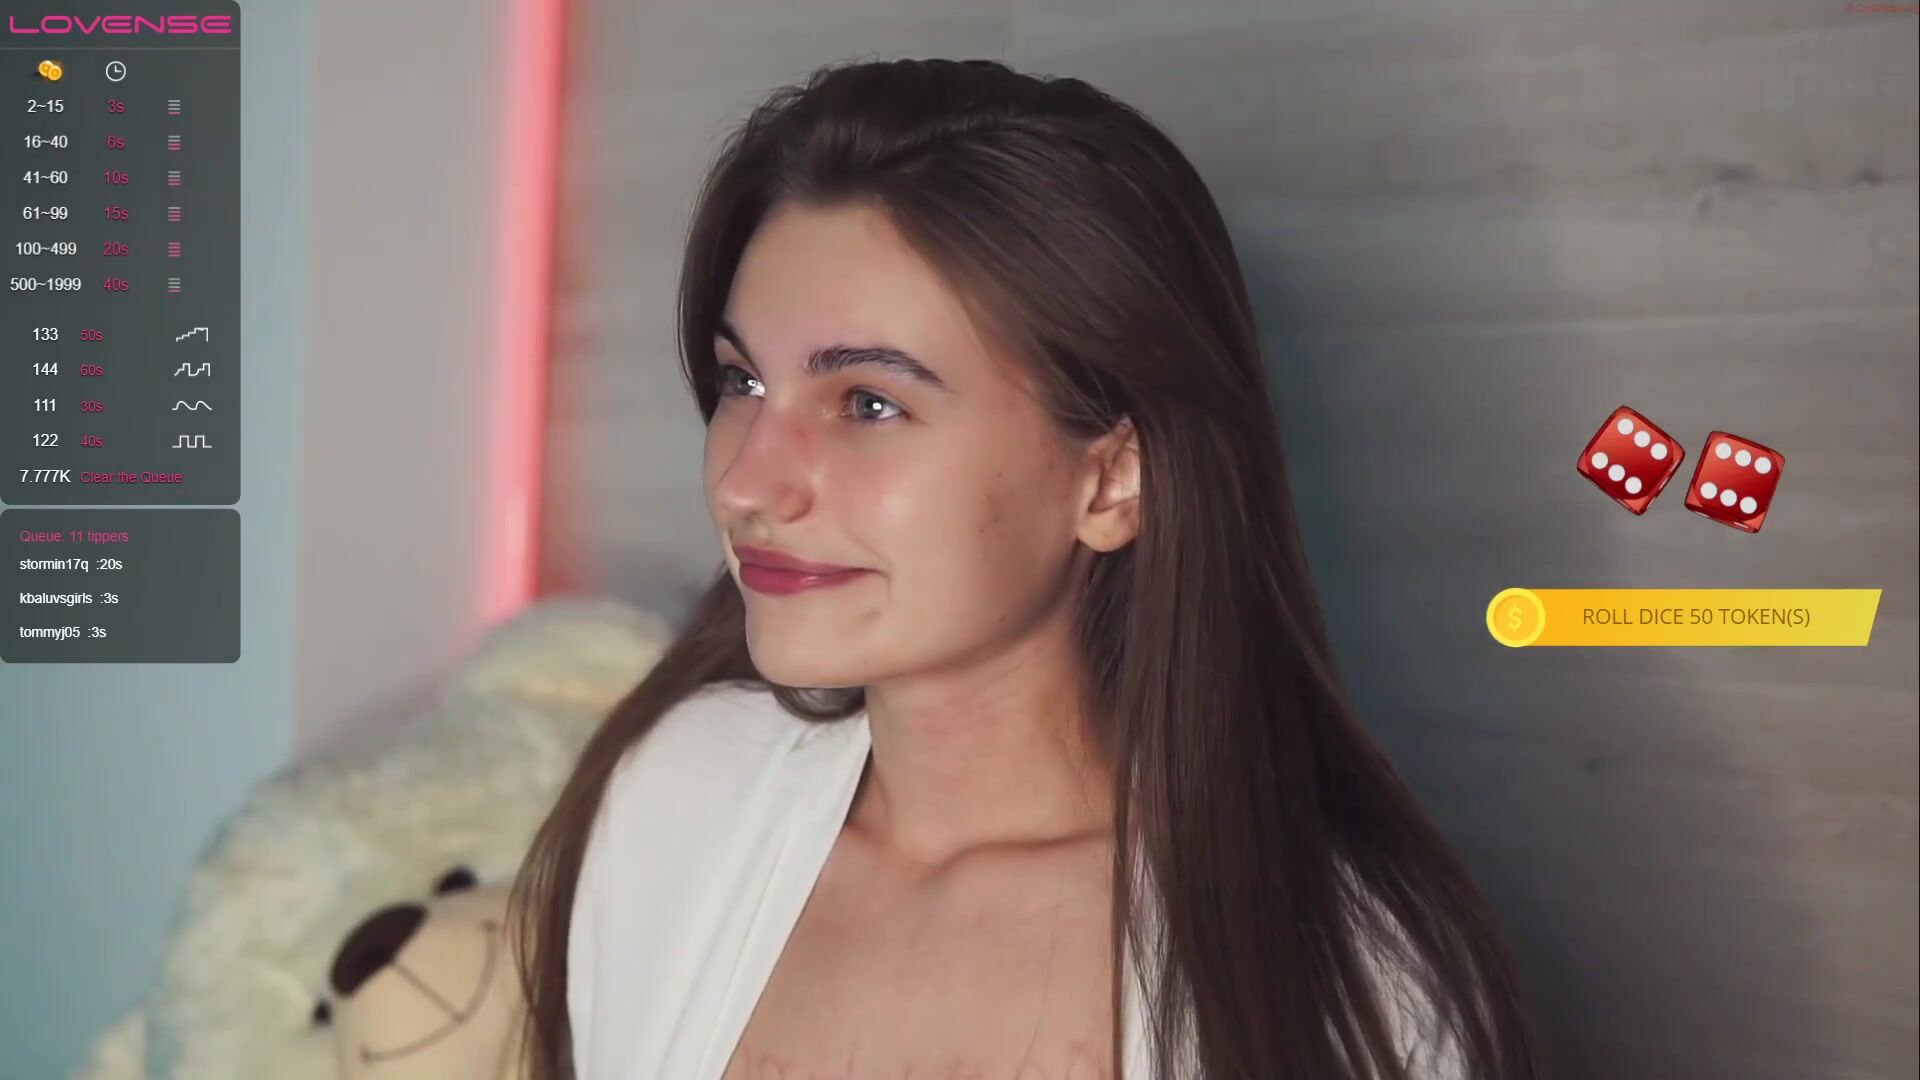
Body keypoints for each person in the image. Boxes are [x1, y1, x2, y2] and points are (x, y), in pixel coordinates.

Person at [509, 56, 1546, 1079]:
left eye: (869, 403)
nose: (747, 484)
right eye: (743, 382)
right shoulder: (678, 802)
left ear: (1113, 480)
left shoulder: (1346, 982)